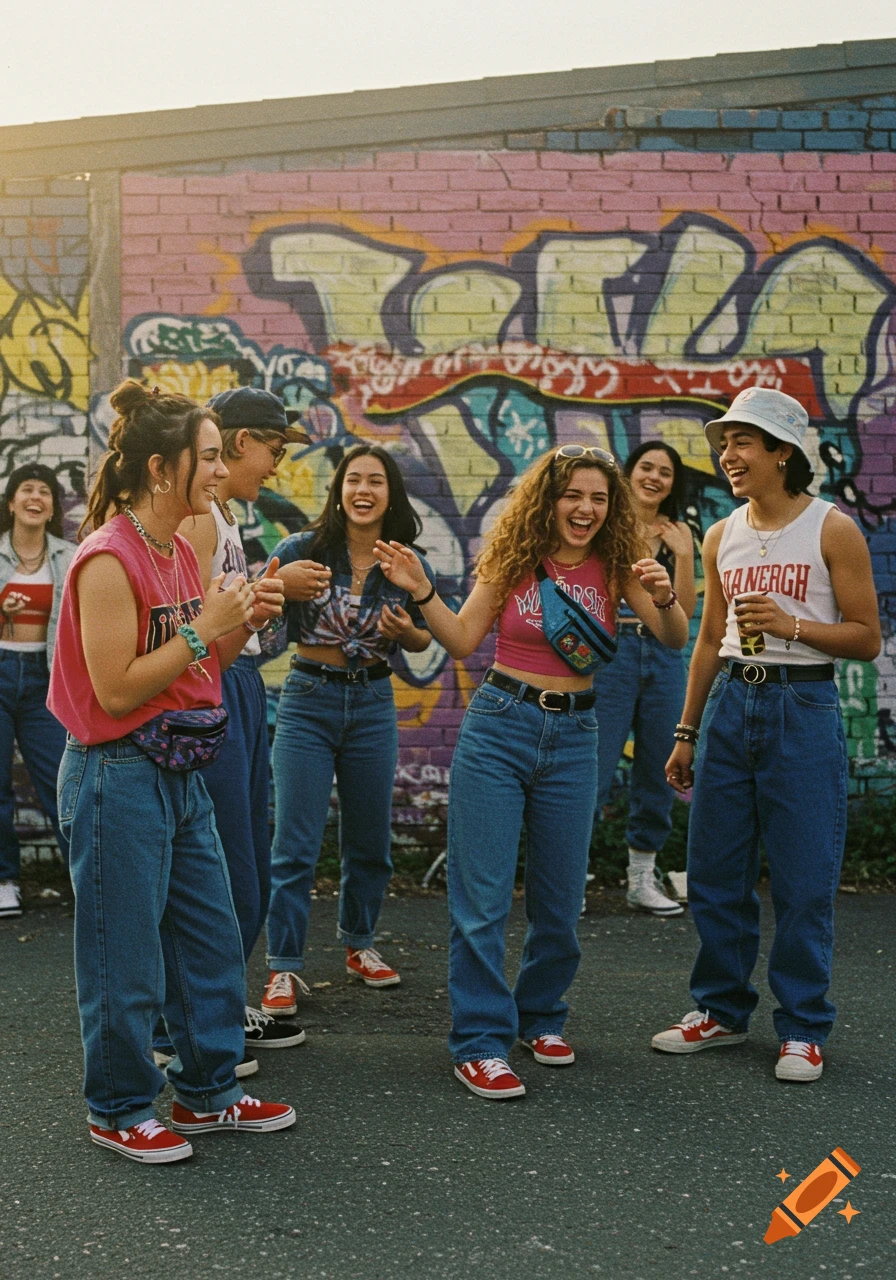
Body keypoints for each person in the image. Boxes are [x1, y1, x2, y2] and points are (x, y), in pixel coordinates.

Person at [375, 444, 689, 1099]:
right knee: (482, 902)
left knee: (558, 902)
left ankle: (540, 1015)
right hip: (500, 725)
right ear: (547, 500)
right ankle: (480, 1042)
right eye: (572, 495)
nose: (585, 508)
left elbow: (673, 637)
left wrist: (667, 589)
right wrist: (423, 591)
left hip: (576, 734)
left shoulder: (615, 565)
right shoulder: (515, 558)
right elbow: (461, 640)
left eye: (598, 498)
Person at [48, 380, 295, 1163]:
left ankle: (208, 1092)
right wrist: (204, 630)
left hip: (179, 770)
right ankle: (118, 1107)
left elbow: (199, 670)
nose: (222, 472)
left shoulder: (174, 550)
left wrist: (239, 620)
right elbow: (117, 686)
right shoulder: (106, 559)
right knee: (126, 955)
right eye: (211, 457)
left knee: (209, 940)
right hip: (115, 774)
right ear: (163, 469)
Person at [653, 387, 881, 1083]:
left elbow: (867, 638)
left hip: (800, 706)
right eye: (724, 444)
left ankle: (804, 1027)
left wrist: (792, 627)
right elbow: (706, 642)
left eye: (742, 443)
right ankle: (720, 1010)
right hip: (730, 703)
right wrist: (687, 729)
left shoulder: (832, 528)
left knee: (803, 877)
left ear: (783, 453)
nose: (728, 456)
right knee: (717, 873)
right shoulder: (723, 535)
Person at [259, 443, 434, 1020]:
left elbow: (423, 642)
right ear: (338, 491)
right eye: (353, 480)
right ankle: (284, 965)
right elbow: (257, 619)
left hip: (373, 701)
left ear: (391, 495)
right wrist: (279, 586)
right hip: (308, 698)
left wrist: (406, 629)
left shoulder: (405, 563)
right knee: (295, 841)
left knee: (369, 839)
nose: (363, 491)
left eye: (375, 482)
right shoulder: (300, 551)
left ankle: (359, 944)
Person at [166, 387, 310, 1063]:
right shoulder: (200, 522)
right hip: (214, 690)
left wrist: (266, 595)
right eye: (274, 451)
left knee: (247, 853)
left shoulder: (221, 516)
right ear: (243, 441)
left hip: (241, 687)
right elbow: (199, 633)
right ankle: (182, 1027)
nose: (274, 467)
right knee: (225, 870)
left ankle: (216, 1003)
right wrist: (262, 602)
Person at [592, 441, 697, 917]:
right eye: (647, 467)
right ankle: (568, 877)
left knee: (660, 765)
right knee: (589, 768)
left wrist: (684, 554)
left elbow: (685, 618)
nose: (655, 477)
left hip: (663, 655)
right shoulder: (602, 525)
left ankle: (640, 878)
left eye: (666, 472)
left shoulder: (678, 533)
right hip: (609, 652)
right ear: (629, 473)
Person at [0, 464, 75, 919]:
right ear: (11, 503)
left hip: (46, 680)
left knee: (61, 780)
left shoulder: (69, 556)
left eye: (44, 491)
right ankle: (5, 879)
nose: (35, 497)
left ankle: (81, 877)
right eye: (25, 489)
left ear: (51, 507)